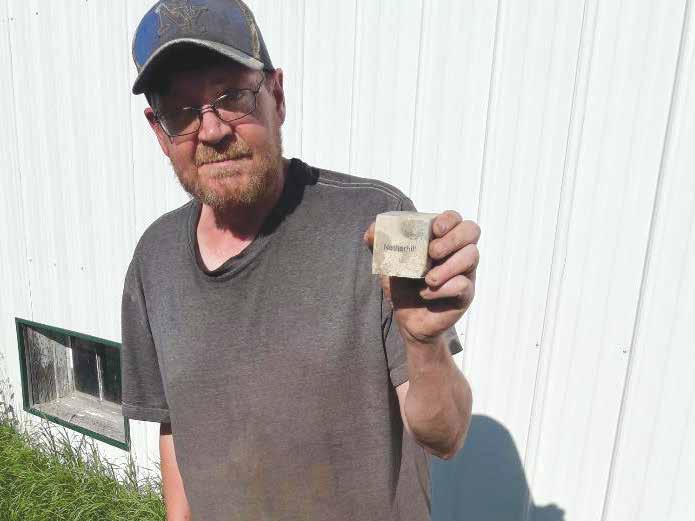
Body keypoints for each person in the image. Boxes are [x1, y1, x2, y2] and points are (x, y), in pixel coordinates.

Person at [121, 1, 479, 520]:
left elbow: (444, 435)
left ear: (277, 96)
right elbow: (176, 426)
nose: (213, 130)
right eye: (181, 111)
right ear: (160, 131)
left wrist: (425, 346)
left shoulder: (371, 227)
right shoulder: (154, 262)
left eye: (232, 97)